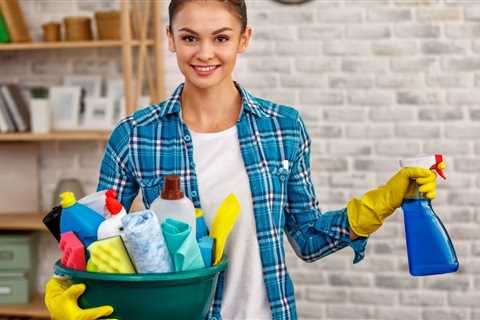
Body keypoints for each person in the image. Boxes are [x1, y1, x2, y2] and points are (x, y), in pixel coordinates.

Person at [44, 1, 439, 319]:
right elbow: (96, 242)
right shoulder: (135, 134)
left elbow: (306, 238)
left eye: (220, 38)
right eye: (189, 38)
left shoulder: (283, 128)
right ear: (169, 38)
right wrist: (68, 292)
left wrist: (382, 202)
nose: (204, 53)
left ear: (244, 39)